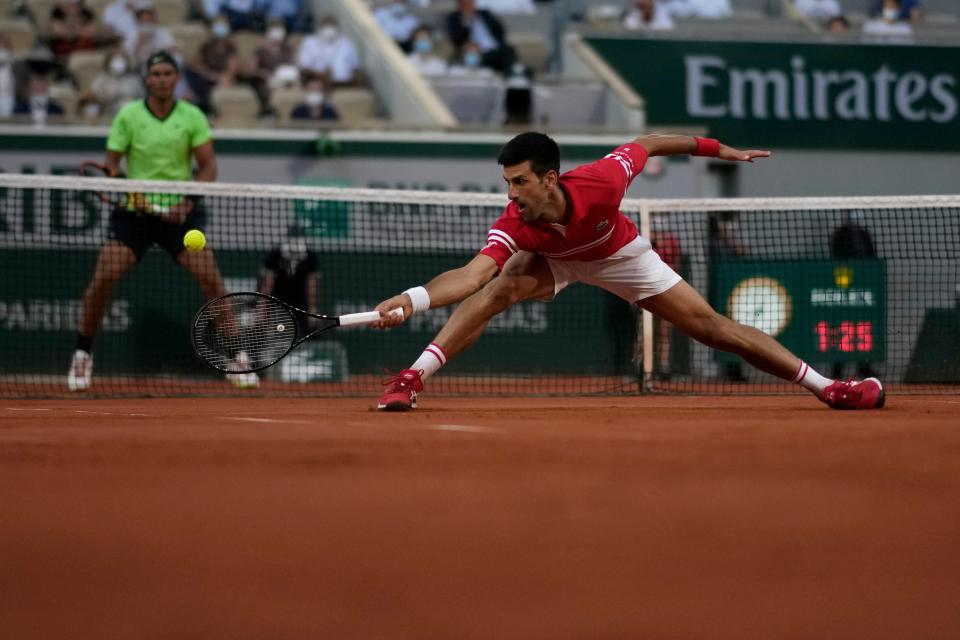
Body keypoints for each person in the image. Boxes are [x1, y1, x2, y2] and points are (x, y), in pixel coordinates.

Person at [371, 132, 885, 411]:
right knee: (496, 291)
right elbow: (468, 276)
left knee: (713, 329)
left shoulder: (603, 180)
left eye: (519, 182)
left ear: (550, 179)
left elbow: (653, 141)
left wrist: (716, 148)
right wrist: (410, 299)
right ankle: (412, 377)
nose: (510, 194)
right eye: (507, 182)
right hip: (555, 260)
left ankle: (828, 388)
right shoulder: (516, 221)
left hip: (621, 256)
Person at [67, 51, 258, 391]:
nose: (162, 79)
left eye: (168, 73)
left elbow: (208, 168)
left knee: (212, 281)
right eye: (155, 73)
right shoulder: (128, 116)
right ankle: (83, 355)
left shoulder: (192, 116)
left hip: (180, 218)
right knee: (103, 278)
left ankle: (236, 357)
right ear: (146, 79)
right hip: (134, 216)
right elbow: (111, 167)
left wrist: (185, 203)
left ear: (176, 77)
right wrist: (132, 194)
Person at [830, 210, 878, 380]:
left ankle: (864, 368)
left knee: (862, 329)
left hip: (863, 288)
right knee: (840, 330)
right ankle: (837, 371)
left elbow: (872, 257)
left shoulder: (864, 235)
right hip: (842, 290)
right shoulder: (839, 236)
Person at [259, 225, 319, 335]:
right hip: (278, 306)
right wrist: (263, 309)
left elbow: (311, 286)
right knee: (277, 336)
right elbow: (268, 285)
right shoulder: (275, 255)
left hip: (299, 307)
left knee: (300, 337)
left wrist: (312, 310)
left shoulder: (310, 257)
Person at [183, 15, 239, 114]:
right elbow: (193, 62)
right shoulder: (207, 46)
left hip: (220, 79)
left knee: (222, 84)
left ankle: (209, 109)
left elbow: (232, 69)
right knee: (189, 72)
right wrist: (206, 73)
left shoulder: (231, 48)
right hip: (206, 77)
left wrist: (219, 77)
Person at [445, 0, 516, 74]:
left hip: (494, 48)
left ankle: (512, 77)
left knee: (509, 51)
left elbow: (500, 29)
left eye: (470, 4)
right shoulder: (455, 18)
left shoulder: (485, 14)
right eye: (465, 5)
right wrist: (466, 22)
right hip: (476, 51)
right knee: (476, 57)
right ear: (460, 6)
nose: (468, 7)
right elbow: (457, 38)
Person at [296, 14, 361, 85]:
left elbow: (356, 68)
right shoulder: (310, 42)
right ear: (320, 27)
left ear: (338, 28)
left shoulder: (347, 43)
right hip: (318, 84)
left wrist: (354, 82)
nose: (329, 30)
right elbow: (304, 68)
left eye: (332, 26)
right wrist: (321, 75)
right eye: (326, 26)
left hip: (344, 84)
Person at [88, 48, 144, 116]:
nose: (118, 62)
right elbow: (93, 99)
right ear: (109, 61)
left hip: (132, 114)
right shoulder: (101, 80)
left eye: (121, 59)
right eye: (115, 59)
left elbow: (141, 98)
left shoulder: (134, 79)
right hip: (109, 114)